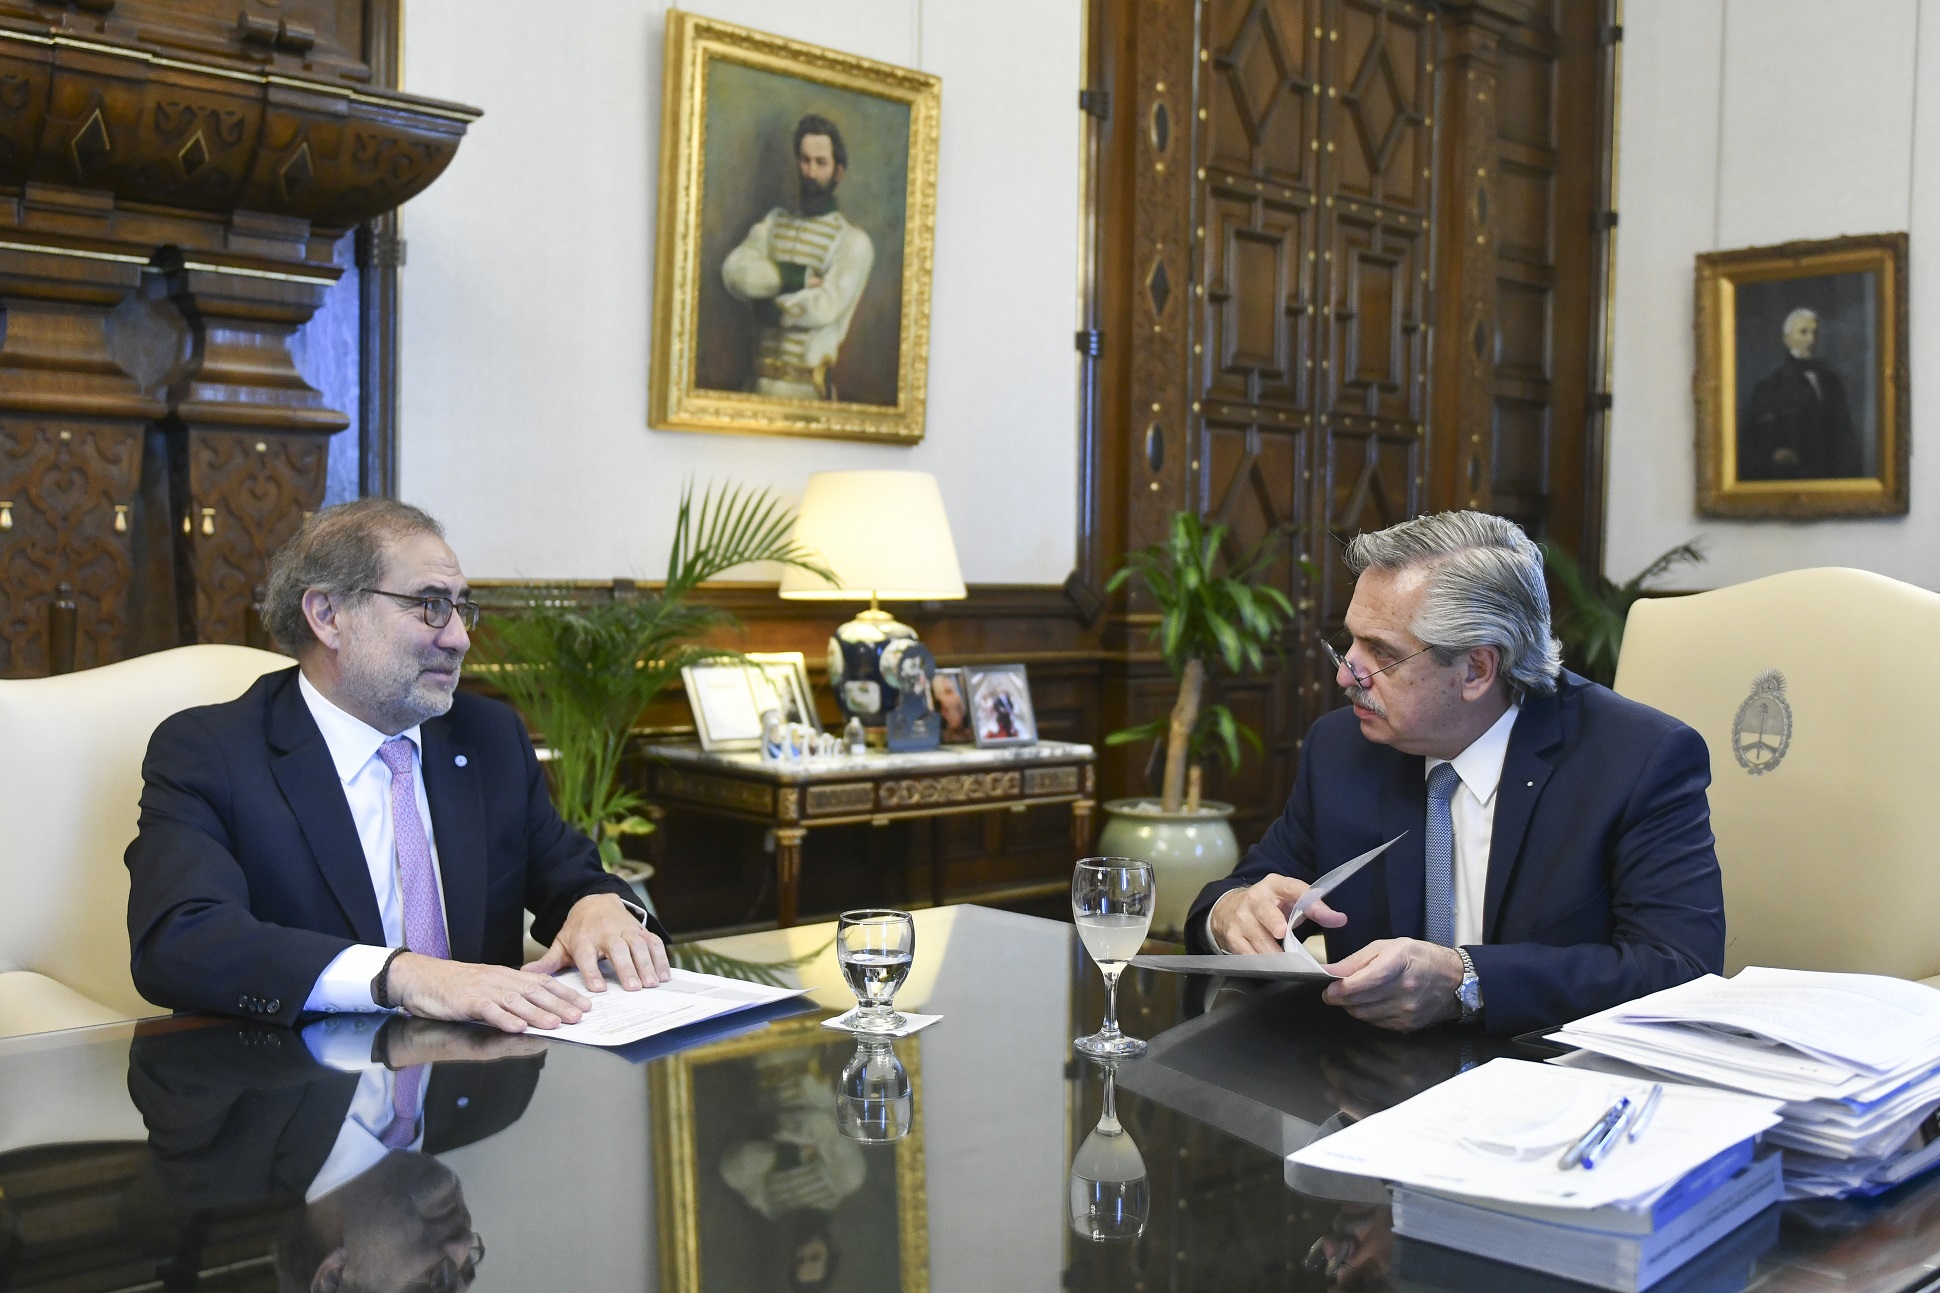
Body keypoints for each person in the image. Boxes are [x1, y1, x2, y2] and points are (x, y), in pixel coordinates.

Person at [125, 499, 671, 1034]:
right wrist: (404, 976)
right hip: (292, 1096)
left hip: (472, 1093)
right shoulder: (212, 752)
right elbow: (180, 940)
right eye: (430, 605)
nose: (459, 637)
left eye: (462, 607)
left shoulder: (488, 738)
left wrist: (600, 905)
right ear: (328, 616)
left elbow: (569, 876)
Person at [1187, 511, 1725, 1036]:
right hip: (1370, 1088)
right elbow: (1237, 892)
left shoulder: (1637, 759)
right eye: (1348, 641)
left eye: (1381, 653)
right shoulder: (1343, 747)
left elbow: (1679, 968)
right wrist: (1232, 913)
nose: (1345, 672)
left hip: (1552, 1083)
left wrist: (1466, 982)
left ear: (1476, 669)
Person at [721, 113, 875, 401]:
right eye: (804, 160)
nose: (810, 173)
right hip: (755, 388)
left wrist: (772, 310)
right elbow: (734, 272)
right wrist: (793, 277)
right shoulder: (773, 223)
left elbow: (825, 306)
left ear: (838, 171)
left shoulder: (853, 243)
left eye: (821, 163)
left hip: (807, 394)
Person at [1739, 306, 1863, 480]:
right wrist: (1774, 456)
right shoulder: (1770, 386)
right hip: (1791, 480)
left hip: (1832, 479)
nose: (1811, 339)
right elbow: (1751, 446)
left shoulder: (1832, 381)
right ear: (1787, 339)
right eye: (1803, 332)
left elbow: (1845, 433)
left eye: (1815, 332)